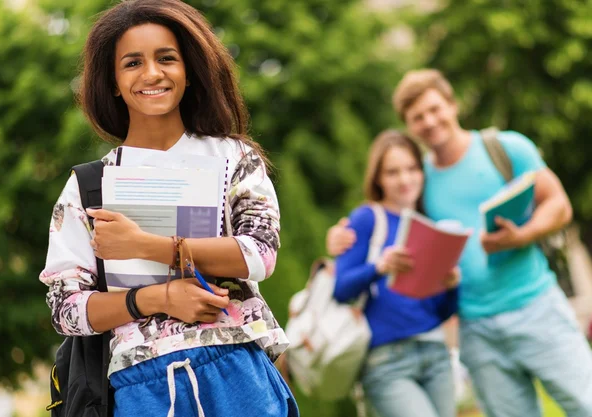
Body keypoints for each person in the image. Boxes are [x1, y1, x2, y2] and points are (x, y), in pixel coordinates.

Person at [39, 1, 298, 416]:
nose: (152, 74)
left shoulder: (233, 158)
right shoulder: (88, 187)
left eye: (166, 58)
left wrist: (145, 244)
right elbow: (66, 311)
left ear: (189, 71)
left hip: (234, 367)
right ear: (113, 82)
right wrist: (160, 297)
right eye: (132, 63)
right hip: (141, 385)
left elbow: (259, 254)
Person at [327, 69, 592, 417]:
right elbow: (391, 220)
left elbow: (558, 204)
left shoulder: (505, 147)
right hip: (475, 330)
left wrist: (522, 235)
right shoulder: (418, 180)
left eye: (435, 109)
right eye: (417, 117)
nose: (429, 121)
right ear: (409, 126)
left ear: (452, 105)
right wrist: (340, 237)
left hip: (535, 308)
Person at [335, 129, 459, 417]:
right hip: (387, 362)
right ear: (378, 178)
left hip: (436, 352)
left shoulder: (432, 224)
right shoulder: (366, 218)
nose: (405, 179)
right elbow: (340, 289)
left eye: (411, 169)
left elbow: (442, 311)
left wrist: (452, 286)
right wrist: (380, 266)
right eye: (393, 172)